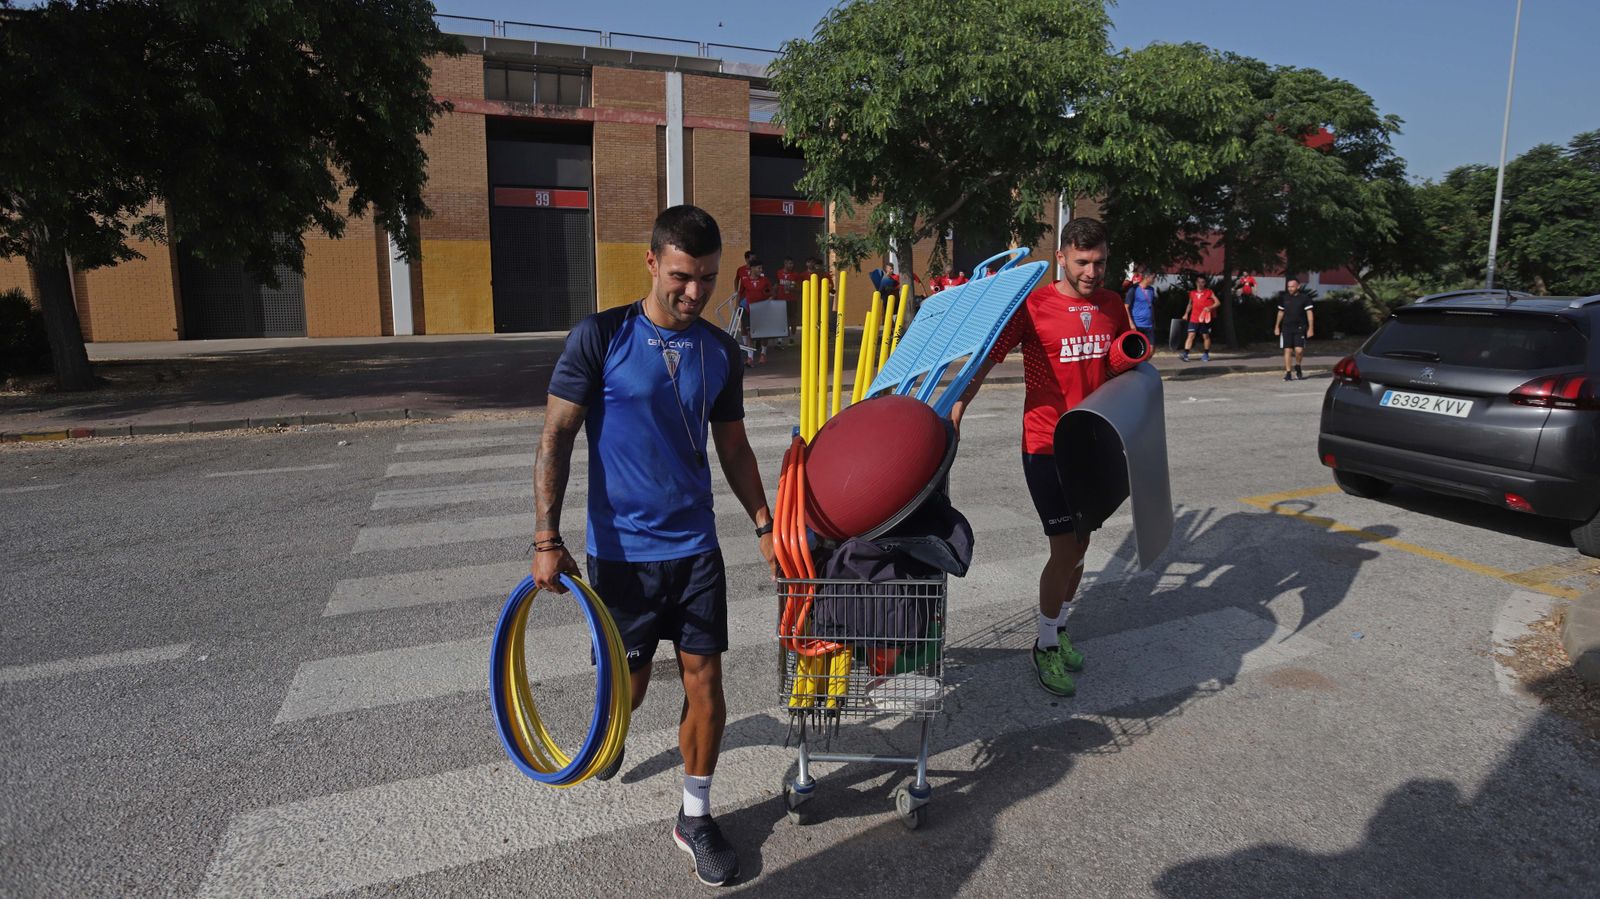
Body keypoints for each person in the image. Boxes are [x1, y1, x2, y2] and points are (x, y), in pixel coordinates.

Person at [532, 205, 775, 888]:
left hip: (695, 549)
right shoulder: (601, 335)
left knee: (707, 680)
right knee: (628, 690)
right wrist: (547, 537)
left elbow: (732, 445)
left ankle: (694, 816)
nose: (694, 293)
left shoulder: (720, 352)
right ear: (651, 262)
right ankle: (611, 731)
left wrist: (764, 522)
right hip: (622, 557)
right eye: (681, 277)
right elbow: (556, 437)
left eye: (706, 278)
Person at [948, 217, 1133, 698]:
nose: (1093, 272)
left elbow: (1118, 362)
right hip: (1047, 444)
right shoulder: (1034, 306)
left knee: (1083, 547)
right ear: (1062, 258)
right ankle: (1045, 644)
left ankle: (1060, 626)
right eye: (1083, 262)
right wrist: (959, 405)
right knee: (1065, 549)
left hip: (1096, 442)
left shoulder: (1113, 304)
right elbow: (987, 358)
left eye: (1100, 262)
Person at [1274, 276, 1315, 381]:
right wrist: (1277, 326)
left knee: (1299, 351)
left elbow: (1309, 313)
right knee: (1287, 350)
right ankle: (1288, 373)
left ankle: (1297, 366)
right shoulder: (1284, 297)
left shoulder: (1305, 298)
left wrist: (1311, 328)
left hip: (1300, 328)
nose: (1290, 288)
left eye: (1292, 286)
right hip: (1286, 327)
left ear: (1298, 286)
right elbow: (1280, 312)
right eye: (1288, 287)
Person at [737, 258, 774, 365]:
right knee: (749, 333)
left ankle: (763, 354)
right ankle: (750, 358)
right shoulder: (745, 280)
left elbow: (771, 293)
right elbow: (740, 293)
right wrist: (737, 305)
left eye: (761, 268)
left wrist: (770, 298)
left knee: (763, 333)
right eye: (759, 268)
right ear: (752, 268)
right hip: (749, 310)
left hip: (761, 310)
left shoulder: (765, 280)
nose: (760, 270)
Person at [1181, 275, 1219, 362]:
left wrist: (1209, 307)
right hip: (1194, 318)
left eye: (1202, 282)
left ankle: (1206, 354)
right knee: (1191, 335)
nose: (1200, 284)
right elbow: (1190, 304)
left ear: (1205, 283)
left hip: (1204, 318)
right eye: (1199, 282)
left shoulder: (1209, 292)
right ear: (1196, 283)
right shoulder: (1192, 293)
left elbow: (1217, 303)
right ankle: (1186, 354)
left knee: (1205, 336)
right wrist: (1186, 314)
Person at [774, 256, 803, 345]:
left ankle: (792, 338)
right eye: (789, 263)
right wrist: (774, 295)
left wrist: (792, 287)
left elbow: (800, 288)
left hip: (792, 300)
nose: (791, 265)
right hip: (781, 300)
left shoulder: (796, 275)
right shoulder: (778, 273)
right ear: (785, 263)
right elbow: (775, 285)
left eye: (792, 264)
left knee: (792, 319)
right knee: (781, 319)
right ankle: (780, 339)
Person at [1123, 272, 1157, 348]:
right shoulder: (1133, 289)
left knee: (1151, 348)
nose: (1155, 279)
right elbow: (1126, 307)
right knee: (1137, 348)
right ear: (1147, 277)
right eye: (1153, 277)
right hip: (1137, 324)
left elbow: (1151, 306)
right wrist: (1131, 323)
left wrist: (1153, 321)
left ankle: (1144, 360)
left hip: (1149, 325)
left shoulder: (1151, 290)